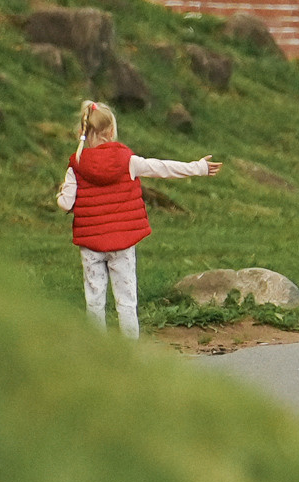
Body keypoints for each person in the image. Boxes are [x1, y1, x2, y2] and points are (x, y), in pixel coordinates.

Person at [54, 100, 220, 339]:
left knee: (94, 299)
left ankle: (96, 349)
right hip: (123, 243)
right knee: (126, 300)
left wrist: (62, 193)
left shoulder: (76, 166)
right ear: (111, 131)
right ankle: (130, 349)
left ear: (82, 131)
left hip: (91, 245)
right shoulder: (128, 161)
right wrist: (199, 167)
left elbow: (65, 203)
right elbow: (162, 168)